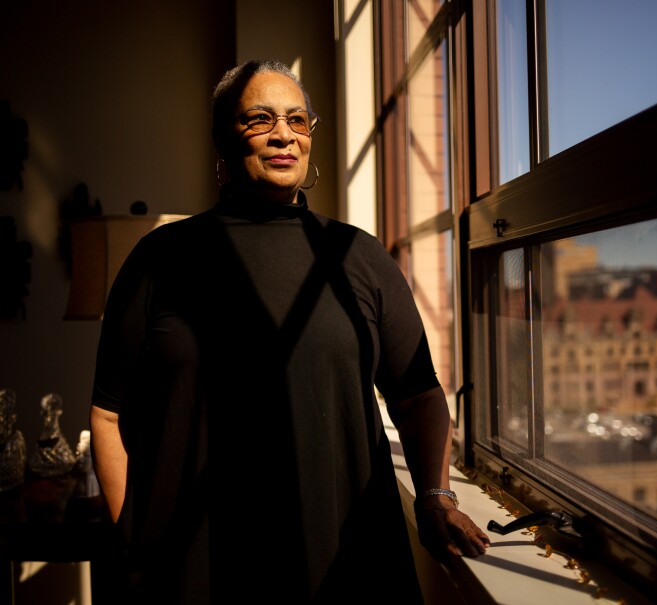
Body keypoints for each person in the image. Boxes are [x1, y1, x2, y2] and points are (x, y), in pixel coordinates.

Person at [89, 58, 489, 604]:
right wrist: (136, 545)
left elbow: (419, 394)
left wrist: (436, 496)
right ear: (222, 137)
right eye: (260, 118)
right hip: (194, 574)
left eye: (298, 121)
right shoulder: (160, 258)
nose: (284, 133)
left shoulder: (359, 256)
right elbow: (108, 414)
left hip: (347, 568)